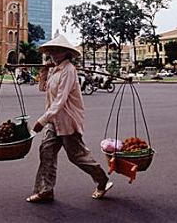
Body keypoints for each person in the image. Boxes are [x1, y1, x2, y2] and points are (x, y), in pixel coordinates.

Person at [26, 35, 113, 203]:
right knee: (46, 152)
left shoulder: (69, 70)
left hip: (67, 120)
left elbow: (60, 100)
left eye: (57, 50)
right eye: (51, 50)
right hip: (54, 120)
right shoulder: (54, 70)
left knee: (77, 156)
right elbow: (44, 89)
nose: (53, 53)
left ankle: (102, 180)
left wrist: (41, 121)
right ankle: (45, 190)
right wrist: (44, 72)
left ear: (66, 53)